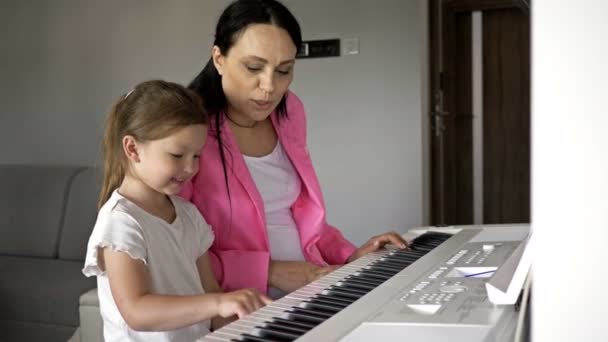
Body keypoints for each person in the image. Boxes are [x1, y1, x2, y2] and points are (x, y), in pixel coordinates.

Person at [182, 0, 408, 299]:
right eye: (253, 67)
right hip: (239, 303)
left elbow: (303, 218)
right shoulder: (187, 129)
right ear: (219, 59)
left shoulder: (290, 112)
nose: (270, 86)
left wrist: (351, 257)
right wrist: (269, 270)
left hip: (308, 291)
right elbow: (172, 243)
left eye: (284, 70)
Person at [82, 80, 271, 342]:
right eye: (177, 155)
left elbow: (210, 297)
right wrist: (217, 303)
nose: (190, 168)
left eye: (196, 156)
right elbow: (136, 311)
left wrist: (261, 321)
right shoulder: (121, 222)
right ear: (133, 149)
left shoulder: (189, 215)